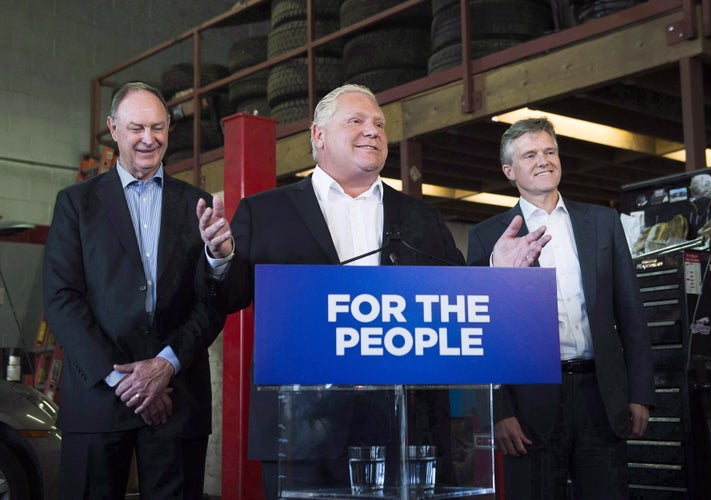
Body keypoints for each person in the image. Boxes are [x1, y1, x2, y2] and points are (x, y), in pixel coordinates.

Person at [196, 84, 548, 498]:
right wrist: (219, 257)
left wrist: (497, 273)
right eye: (357, 121)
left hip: (407, 432)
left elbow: (455, 299)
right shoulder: (266, 211)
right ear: (318, 135)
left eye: (379, 124)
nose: (373, 131)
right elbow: (230, 296)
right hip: (304, 433)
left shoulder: (421, 217)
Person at [43, 82, 226, 499]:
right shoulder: (76, 205)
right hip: (97, 400)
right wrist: (121, 379)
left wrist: (164, 367)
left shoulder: (196, 206)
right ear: (113, 128)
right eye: (137, 127)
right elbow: (61, 298)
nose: (149, 138)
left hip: (176, 401)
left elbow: (211, 302)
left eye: (158, 127)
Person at [466, 117, 656, 499]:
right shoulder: (489, 236)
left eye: (550, 151)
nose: (544, 160)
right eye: (530, 154)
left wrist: (640, 392)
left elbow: (631, 313)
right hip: (530, 402)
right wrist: (498, 410)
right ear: (509, 170)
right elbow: (482, 331)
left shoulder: (602, 222)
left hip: (601, 396)